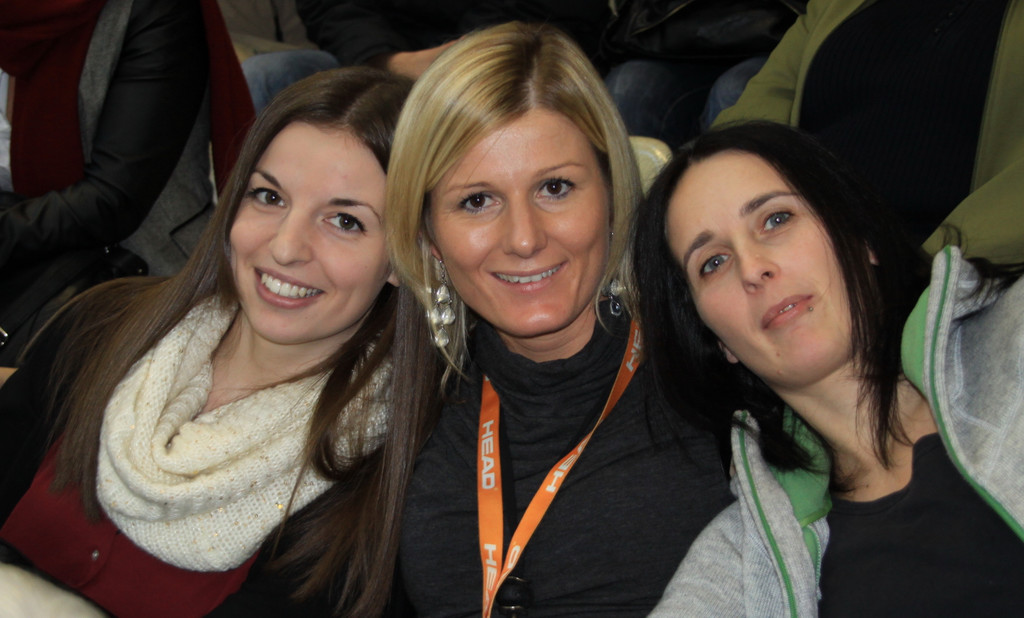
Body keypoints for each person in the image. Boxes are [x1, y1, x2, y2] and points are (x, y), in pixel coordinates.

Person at [0, 67, 414, 617]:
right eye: (268, 196)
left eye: (344, 221)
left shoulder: (385, 477)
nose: (285, 247)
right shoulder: (100, 326)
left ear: (405, 257)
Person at [385, 22, 732, 617]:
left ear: (613, 195)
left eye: (555, 187)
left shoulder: (714, 368)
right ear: (429, 235)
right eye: (476, 201)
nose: (524, 238)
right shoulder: (402, 405)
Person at [631, 121, 1024, 616]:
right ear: (716, 339)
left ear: (861, 237)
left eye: (776, 220)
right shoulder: (741, 561)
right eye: (713, 262)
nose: (752, 268)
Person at [713, 0, 1024, 262]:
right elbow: (771, 93)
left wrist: (916, 271)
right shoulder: (839, 6)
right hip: (792, 227)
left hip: (926, 258)